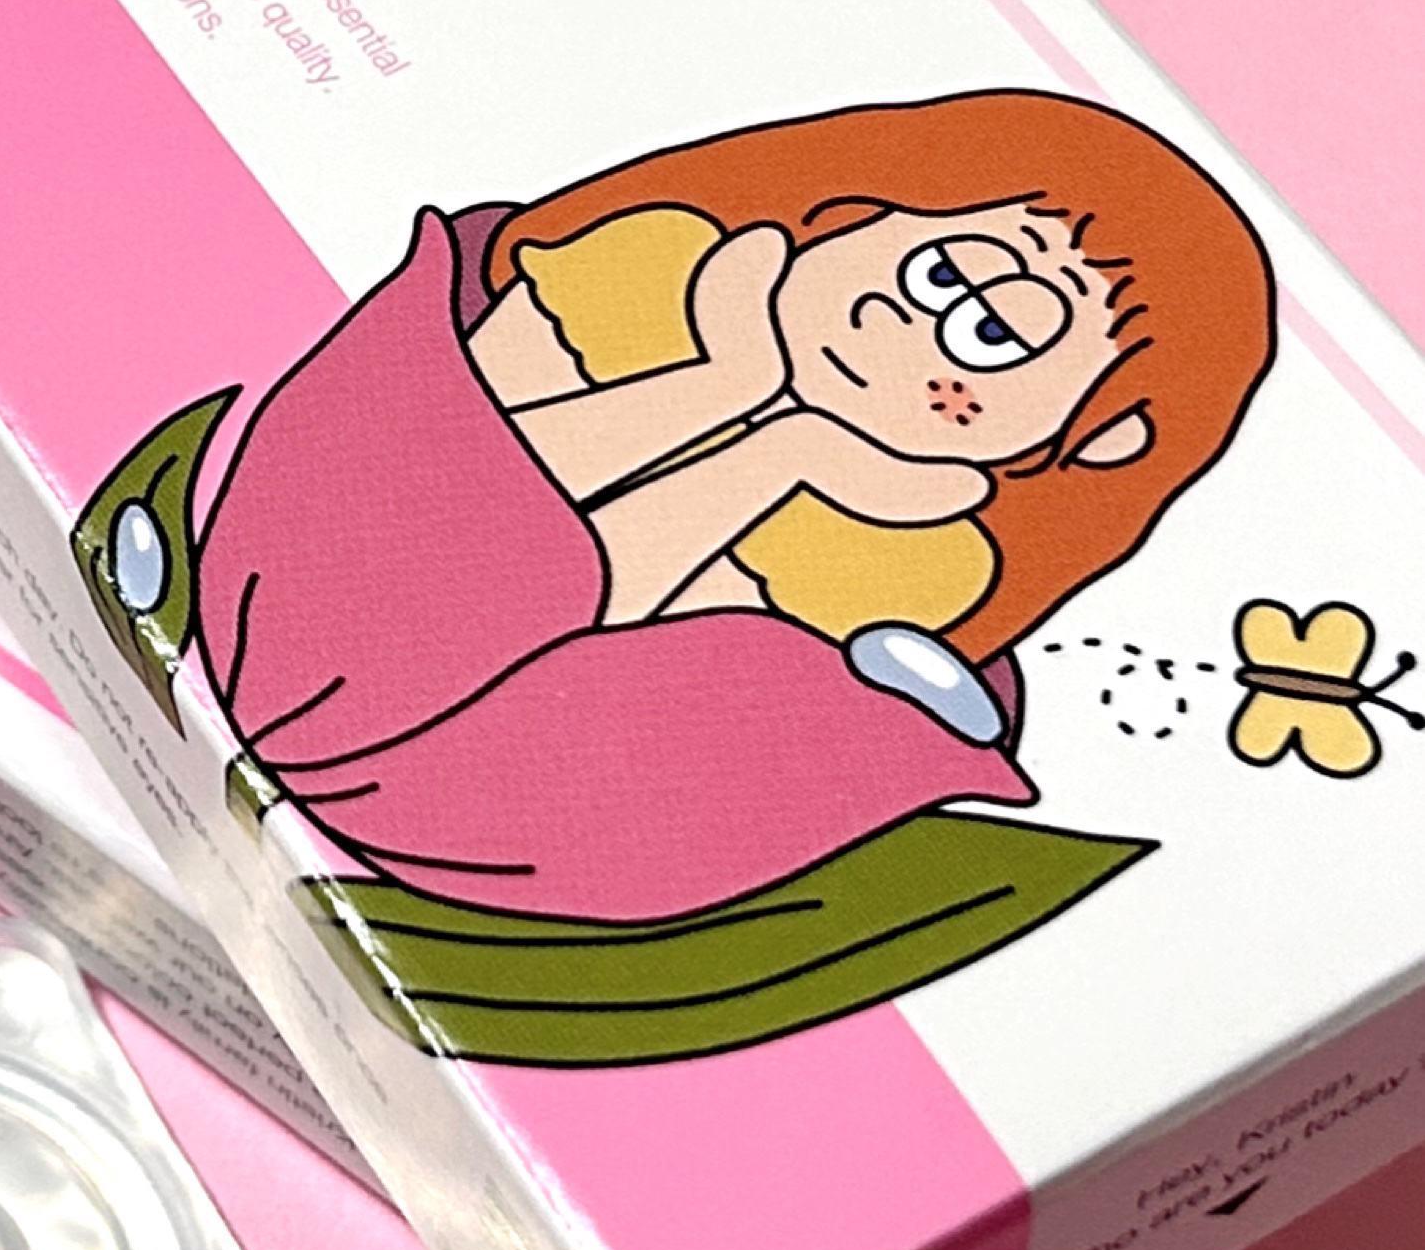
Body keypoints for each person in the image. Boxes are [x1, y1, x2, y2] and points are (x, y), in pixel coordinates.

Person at [108, 91, 1274, 923]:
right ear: (860, 207)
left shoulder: (927, 564)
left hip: (462, 820)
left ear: (1092, 438)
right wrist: (720, 386)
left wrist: (782, 452)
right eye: (936, 269)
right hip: (292, 595)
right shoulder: (648, 264)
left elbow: (596, 640)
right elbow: (462, 510)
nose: (907, 329)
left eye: (997, 334)